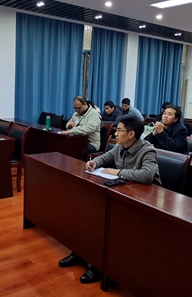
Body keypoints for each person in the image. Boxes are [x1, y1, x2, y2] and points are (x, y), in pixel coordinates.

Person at [60, 115, 161, 284]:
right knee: (86, 212)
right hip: (124, 192)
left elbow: (147, 175)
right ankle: (79, 252)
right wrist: (94, 163)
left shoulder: (147, 150)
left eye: (119, 130)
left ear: (131, 134)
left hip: (144, 201)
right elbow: (104, 157)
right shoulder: (120, 146)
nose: (115, 133)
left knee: (104, 221)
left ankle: (100, 266)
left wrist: (117, 172)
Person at [61, 95, 102, 160]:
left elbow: (88, 128)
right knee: (64, 147)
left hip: (91, 143)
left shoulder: (94, 114)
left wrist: (71, 131)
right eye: (75, 108)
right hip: (77, 140)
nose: (77, 110)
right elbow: (67, 124)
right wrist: (69, 126)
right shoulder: (76, 114)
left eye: (78, 108)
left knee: (78, 152)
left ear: (85, 104)